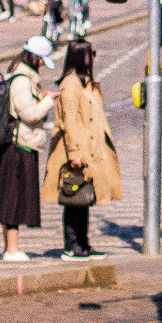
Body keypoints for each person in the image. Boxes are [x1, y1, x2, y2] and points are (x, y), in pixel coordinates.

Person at [42, 40, 121, 260]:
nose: (94, 57)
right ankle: (72, 245)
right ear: (83, 57)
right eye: (91, 53)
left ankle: (84, 243)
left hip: (90, 153)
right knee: (73, 198)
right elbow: (70, 122)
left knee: (84, 199)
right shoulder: (70, 85)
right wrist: (75, 153)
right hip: (76, 153)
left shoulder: (86, 84)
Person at [0, 35, 56, 261]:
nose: (42, 64)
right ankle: (11, 249)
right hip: (19, 143)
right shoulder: (21, 80)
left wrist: (40, 96)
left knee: (13, 195)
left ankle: (11, 247)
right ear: (35, 58)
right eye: (41, 60)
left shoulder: (23, 77)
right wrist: (49, 101)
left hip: (20, 142)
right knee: (13, 197)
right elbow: (29, 114)